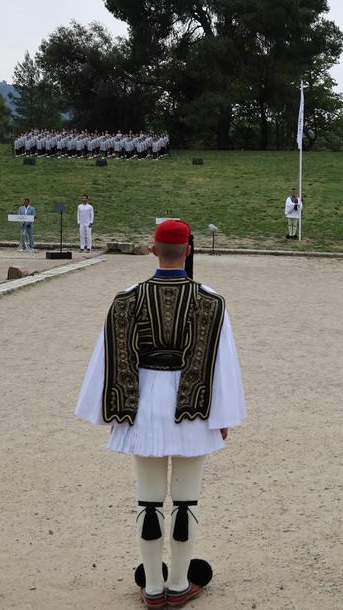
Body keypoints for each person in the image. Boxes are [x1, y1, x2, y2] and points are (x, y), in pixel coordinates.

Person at [75, 219, 246, 608]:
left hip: (143, 407)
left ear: (153, 250)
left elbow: (110, 357)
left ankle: (153, 587)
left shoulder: (126, 298)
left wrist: (114, 411)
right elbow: (223, 363)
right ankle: (181, 582)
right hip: (194, 407)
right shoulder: (211, 299)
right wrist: (224, 417)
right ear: (189, 250)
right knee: (186, 502)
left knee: (148, 501)